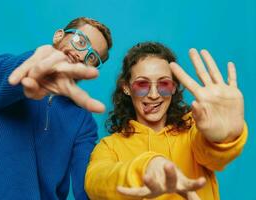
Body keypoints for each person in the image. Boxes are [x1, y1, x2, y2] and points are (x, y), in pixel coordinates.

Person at [0, 17, 112, 200]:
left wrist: (123, 184)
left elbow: (86, 187)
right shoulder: (4, 71)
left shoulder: (84, 122)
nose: (81, 55)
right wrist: (34, 68)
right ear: (59, 36)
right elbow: (5, 78)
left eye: (92, 57)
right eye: (80, 41)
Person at [85, 42, 247, 200]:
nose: (154, 94)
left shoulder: (194, 128)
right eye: (142, 84)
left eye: (164, 83)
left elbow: (211, 155)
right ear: (126, 87)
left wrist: (219, 139)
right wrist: (144, 168)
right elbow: (95, 183)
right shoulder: (109, 147)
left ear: (174, 86)